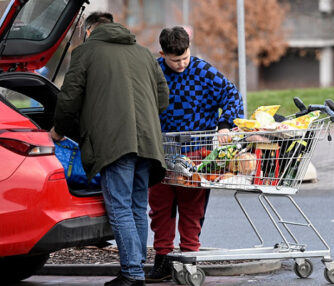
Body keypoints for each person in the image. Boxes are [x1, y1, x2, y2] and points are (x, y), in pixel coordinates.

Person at [50, 12, 169, 286]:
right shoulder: (143, 53)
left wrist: (59, 130)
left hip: (115, 142)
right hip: (148, 142)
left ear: (88, 30)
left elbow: (69, 98)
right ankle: (137, 265)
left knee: (119, 207)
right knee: (138, 204)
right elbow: (163, 98)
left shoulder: (85, 53)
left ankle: (132, 273)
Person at [146, 26, 244, 282]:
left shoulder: (204, 71)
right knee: (160, 208)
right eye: (175, 60)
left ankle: (190, 256)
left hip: (197, 153)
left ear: (190, 49)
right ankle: (163, 258)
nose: (181, 64)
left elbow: (232, 96)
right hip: (162, 151)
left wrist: (225, 125)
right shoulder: (153, 71)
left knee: (192, 208)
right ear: (162, 53)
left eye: (185, 57)